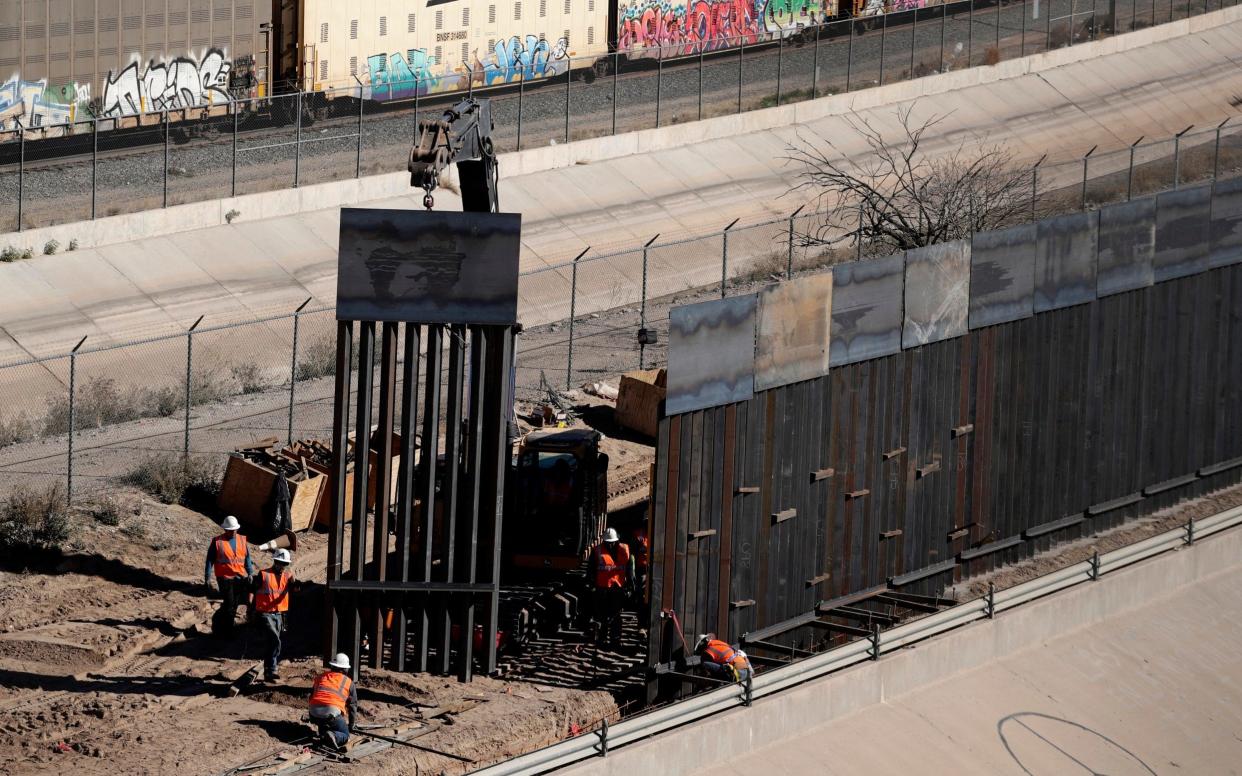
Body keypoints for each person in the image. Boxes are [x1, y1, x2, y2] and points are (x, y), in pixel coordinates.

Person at [204, 515, 253, 636]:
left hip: (239, 577)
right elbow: (209, 560)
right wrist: (207, 578)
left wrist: (250, 572)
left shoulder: (242, 540)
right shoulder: (217, 542)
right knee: (229, 604)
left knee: (234, 604)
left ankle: (224, 625)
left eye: (234, 530)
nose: (233, 532)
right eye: (230, 530)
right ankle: (227, 630)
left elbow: (247, 558)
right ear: (225, 529)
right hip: (224, 578)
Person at [252, 548, 296, 681]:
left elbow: (296, 589)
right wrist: (250, 608)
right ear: (276, 562)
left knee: (272, 642)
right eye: (281, 563)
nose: (283, 567)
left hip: (279, 614)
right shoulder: (263, 575)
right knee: (275, 640)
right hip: (265, 613)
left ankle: (269, 671)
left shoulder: (287, 576)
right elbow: (252, 589)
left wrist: (295, 583)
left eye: (285, 564)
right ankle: (272, 668)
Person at [591, 527, 634, 647]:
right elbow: (592, 570)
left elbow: (630, 570)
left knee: (615, 615)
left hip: (616, 588)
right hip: (603, 588)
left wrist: (630, 586)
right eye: (608, 543)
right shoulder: (597, 551)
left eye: (611, 543)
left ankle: (614, 639)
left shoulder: (625, 550)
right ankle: (602, 638)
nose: (610, 545)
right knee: (603, 615)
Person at [310, 653, 359, 750]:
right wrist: (351, 724)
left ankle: (325, 733)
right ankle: (334, 736)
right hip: (331, 713)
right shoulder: (348, 682)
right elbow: (353, 705)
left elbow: (312, 696)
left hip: (313, 712)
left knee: (327, 724)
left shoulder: (320, 677)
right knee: (345, 735)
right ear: (344, 669)